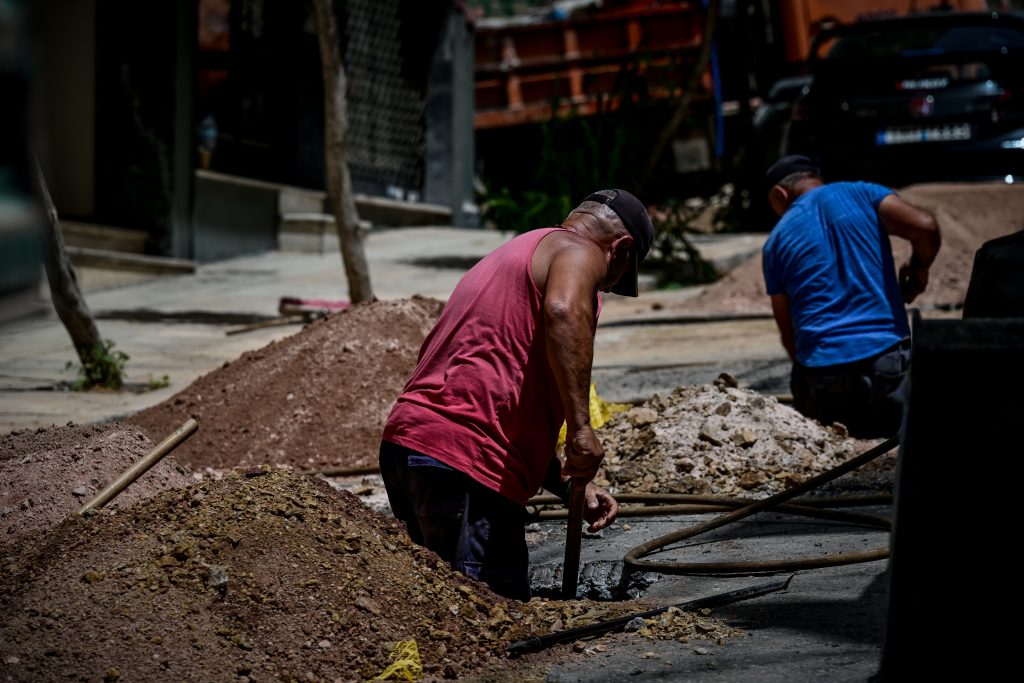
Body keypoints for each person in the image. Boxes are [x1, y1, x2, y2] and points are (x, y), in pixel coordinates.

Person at [378, 189, 654, 600]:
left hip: (413, 447)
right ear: (621, 248)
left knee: (439, 613)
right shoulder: (578, 251)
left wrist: (567, 484)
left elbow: (501, 397)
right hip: (465, 463)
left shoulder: (519, 253)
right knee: (488, 618)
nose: (605, 287)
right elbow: (564, 312)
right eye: (615, 279)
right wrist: (581, 430)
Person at [762, 155, 941, 438]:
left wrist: (812, 376)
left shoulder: (775, 242)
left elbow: (788, 333)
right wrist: (918, 269)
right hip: (887, 361)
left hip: (823, 373)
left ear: (779, 194)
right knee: (901, 453)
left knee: (834, 461)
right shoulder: (862, 193)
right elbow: (925, 226)